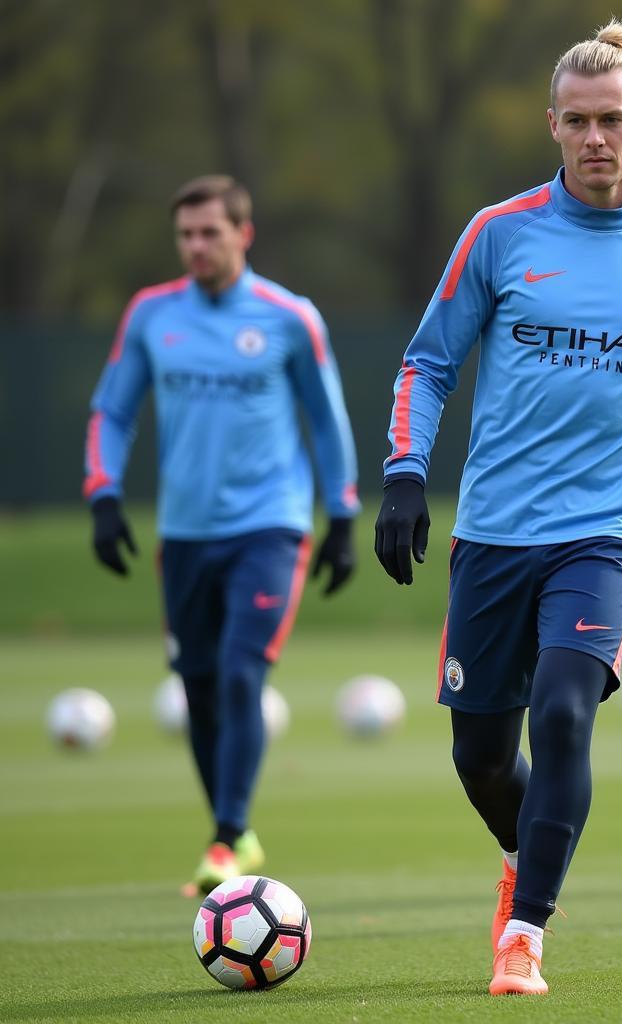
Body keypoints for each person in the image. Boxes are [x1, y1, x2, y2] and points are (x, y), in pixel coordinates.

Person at [374, 20, 622, 996]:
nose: (594, 138)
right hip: (493, 529)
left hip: (605, 535)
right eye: (575, 121)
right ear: (552, 125)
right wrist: (406, 472)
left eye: (611, 119)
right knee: (483, 757)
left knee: (564, 712)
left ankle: (523, 932)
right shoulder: (499, 232)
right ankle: (525, 858)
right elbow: (428, 361)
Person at [83, 175, 359, 895]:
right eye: (186, 235)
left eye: (211, 232)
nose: (197, 246)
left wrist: (344, 515)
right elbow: (112, 410)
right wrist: (104, 495)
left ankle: (226, 837)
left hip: (270, 527)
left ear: (245, 234)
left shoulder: (288, 317)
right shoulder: (151, 315)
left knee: (241, 672)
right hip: (185, 533)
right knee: (199, 687)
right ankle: (234, 828)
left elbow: (327, 420)